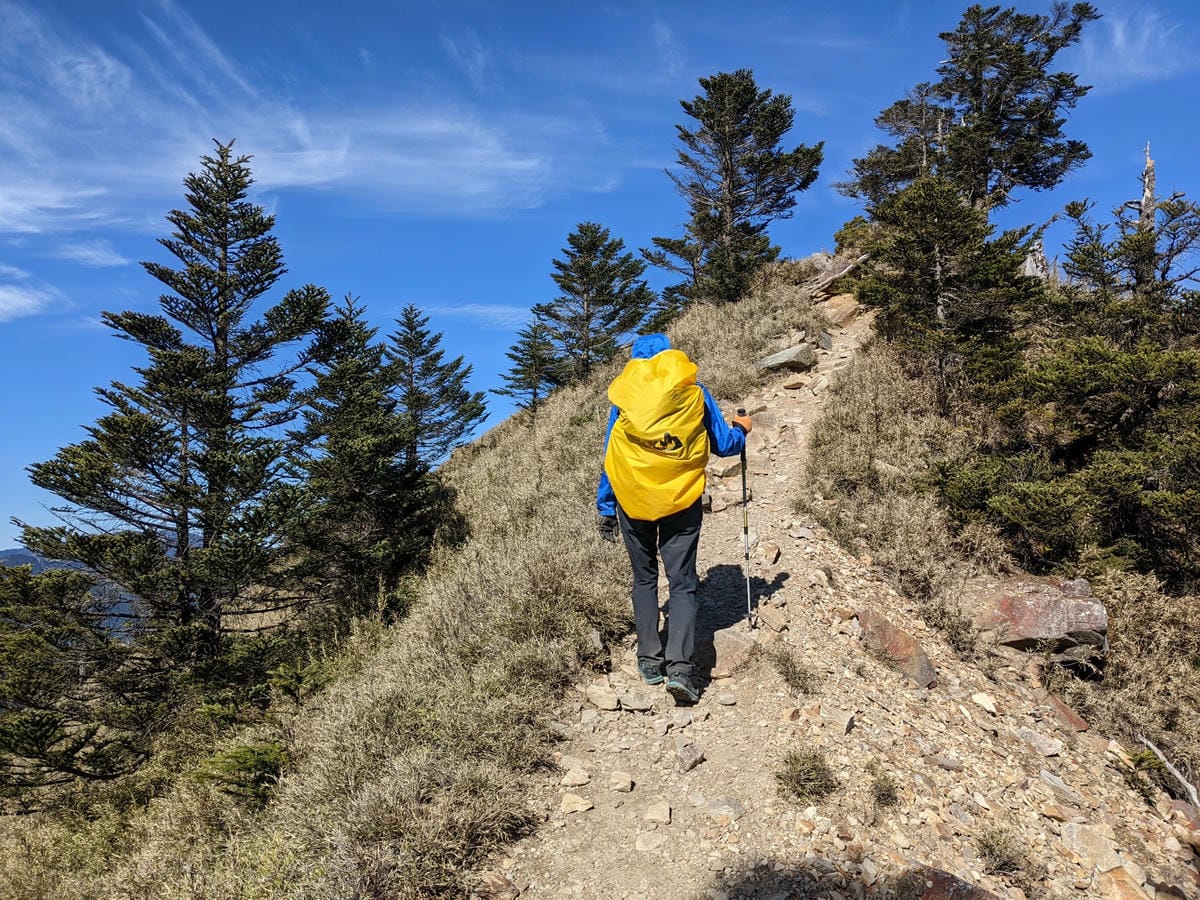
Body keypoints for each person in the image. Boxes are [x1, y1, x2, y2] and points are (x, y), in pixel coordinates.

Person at [596, 333, 751, 705]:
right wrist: (742, 431)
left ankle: (650, 662)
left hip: (633, 501)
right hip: (681, 500)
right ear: (670, 357)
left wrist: (606, 507)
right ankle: (680, 670)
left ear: (635, 362)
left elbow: (612, 456)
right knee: (682, 584)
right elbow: (724, 445)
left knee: (644, 579)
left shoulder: (624, 399)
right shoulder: (694, 392)